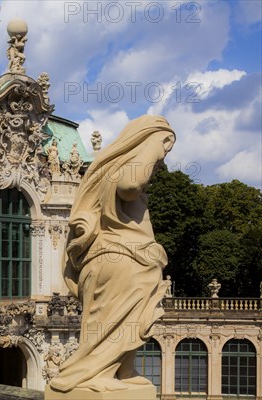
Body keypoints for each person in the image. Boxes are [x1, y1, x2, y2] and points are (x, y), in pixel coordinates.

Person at [50, 115, 175, 392]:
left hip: (127, 258)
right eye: (165, 151)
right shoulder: (135, 161)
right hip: (122, 259)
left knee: (130, 319)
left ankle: (123, 370)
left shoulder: (108, 169)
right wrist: (154, 148)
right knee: (112, 322)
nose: (163, 161)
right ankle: (97, 373)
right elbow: (129, 186)